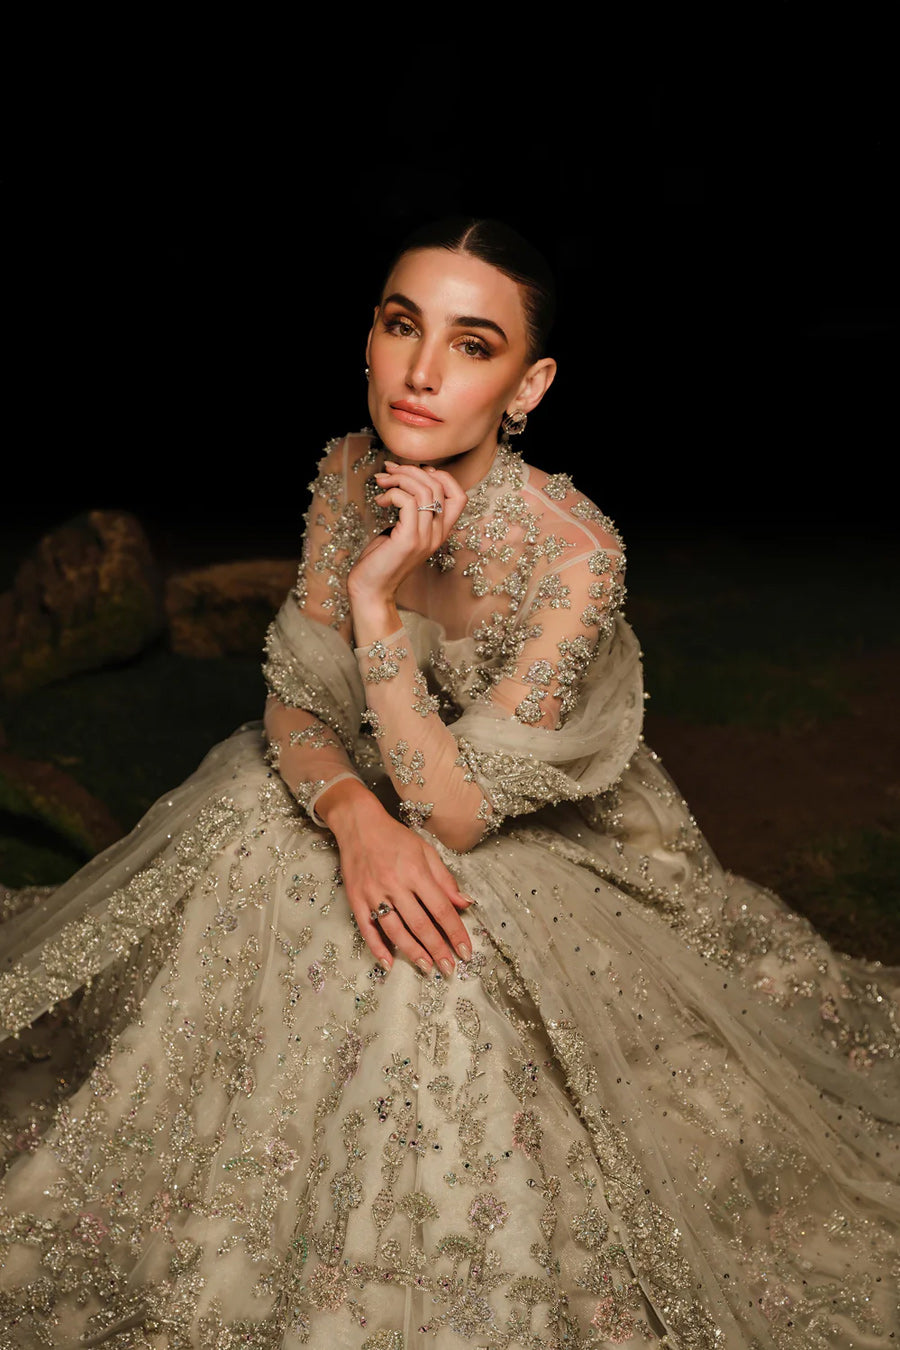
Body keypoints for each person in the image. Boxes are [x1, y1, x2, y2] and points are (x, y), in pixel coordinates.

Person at [0, 218, 898, 1349]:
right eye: (400, 324)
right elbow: (290, 699)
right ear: (369, 340)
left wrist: (379, 606)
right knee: (258, 840)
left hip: (542, 845)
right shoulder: (345, 469)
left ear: (530, 385)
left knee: (432, 964)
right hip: (375, 793)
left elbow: (462, 815)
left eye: (473, 345)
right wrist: (353, 814)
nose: (422, 371)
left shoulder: (577, 553)